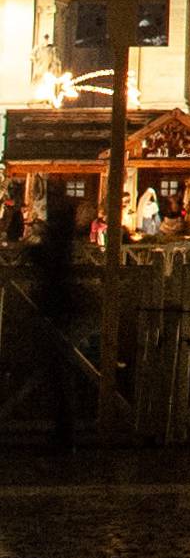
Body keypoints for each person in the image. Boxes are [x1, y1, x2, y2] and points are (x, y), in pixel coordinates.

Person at [30, 186, 84, 452]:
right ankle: (63, 431)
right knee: (59, 370)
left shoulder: (57, 241)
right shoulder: (64, 239)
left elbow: (45, 260)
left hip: (54, 307)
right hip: (60, 307)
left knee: (57, 370)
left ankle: (63, 433)